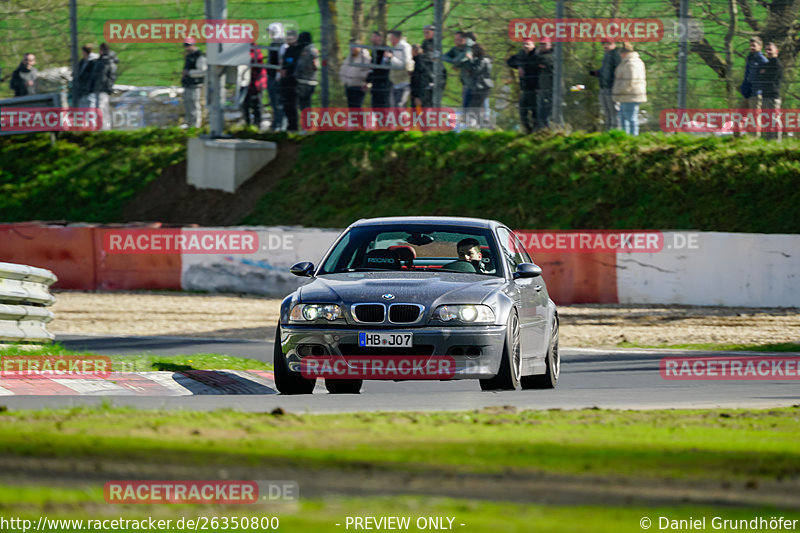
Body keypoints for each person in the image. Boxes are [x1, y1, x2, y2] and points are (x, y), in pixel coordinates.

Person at [612, 42, 646, 136]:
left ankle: (633, 137)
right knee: (623, 118)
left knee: (630, 118)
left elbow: (630, 80)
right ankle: (626, 136)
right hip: (628, 95)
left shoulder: (630, 63)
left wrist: (619, 91)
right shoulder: (631, 62)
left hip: (629, 95)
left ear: (624, 53)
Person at [507, 40, 538, 133]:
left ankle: (536, 130)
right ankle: (528, 129)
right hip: (524, 87)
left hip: (535, 87)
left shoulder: (537, 55)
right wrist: (519, 66)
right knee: (522, 110)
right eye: (524, 44)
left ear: (533, 45)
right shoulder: (521, 55)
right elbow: (510, 61)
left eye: (528, 44)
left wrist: (524, 65)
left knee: (535, 111)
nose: (525, 46)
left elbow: (534, 64)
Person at [589, 40, 621, 130]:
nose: (605, 46)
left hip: (612, 88)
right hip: (603, 87)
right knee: (607, 112)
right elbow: (605, 70)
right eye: (603, 44)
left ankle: (616, 133)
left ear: (613, 43)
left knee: (614, 112)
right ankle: (609, 132)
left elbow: (619, 72)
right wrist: (597, 73)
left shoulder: (616, 55)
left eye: (608, 44)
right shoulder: (606, 55)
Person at [90, 43, 119, 130]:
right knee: (102, 108)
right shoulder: (105, 60)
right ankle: (103, 127)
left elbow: (104, 76)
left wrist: (102, 87)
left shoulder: (105, 61)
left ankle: (103, 127)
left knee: (101, 108)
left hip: (102, 89)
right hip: (102, 88)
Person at [759, 42, 783, 141]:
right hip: (765, 95)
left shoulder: (777, 64)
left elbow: (769, 78)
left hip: (773, 95)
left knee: (775, 119)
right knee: (767, 119)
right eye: (766, 50)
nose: (768, 52)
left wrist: (763, 74)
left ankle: (777, 140)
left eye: (770, 49)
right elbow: (761, 76)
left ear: (776, 51)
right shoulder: (767, 64)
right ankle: (769, 140)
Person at [239, 44, 267, 128]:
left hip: (255, 82)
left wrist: (258, 82)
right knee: (245, 104)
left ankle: (257, 124)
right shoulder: (242, 49)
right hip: (245, 81)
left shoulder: (254, 50)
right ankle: (248, 124)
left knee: (256, 104)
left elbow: (258, 66)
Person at [280, 30, 303, 131]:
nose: (287, 38)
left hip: (294, 81)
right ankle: (290, 125)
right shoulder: (288, 49)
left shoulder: (298, 50)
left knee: (293, 104)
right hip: (285, 81)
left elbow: (296, 64)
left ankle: (295, 126)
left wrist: (287, 70)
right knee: (287, 105)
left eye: (290, 37)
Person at [181, 37, 206, 128]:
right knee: (187, 104)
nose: (187, 48)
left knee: (194, 104)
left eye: (188, 45)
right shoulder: (189, 56)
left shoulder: (199, 56)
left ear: (193, 45)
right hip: (188, 84)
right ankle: (189, 123)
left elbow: (202, 71)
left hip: (196, 85)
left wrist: (189, 73)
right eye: (185, 45)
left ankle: (195, 125)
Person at [266, 23, 288, 130]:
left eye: (272, 32)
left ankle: (281, 125)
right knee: (274, 102)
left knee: (280, 103)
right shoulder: (273, 44)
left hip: (278, 78)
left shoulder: (282, 45)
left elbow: (281, 62)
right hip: (271, 77)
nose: (270, 34)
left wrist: (278, 75)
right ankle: (276, 124)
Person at [386, 30, 413, 107]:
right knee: (393, 107)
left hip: (403, 82)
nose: (390, 40)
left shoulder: (405, 47)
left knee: (400, 106)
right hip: (394, 81)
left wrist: (392, 58)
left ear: (395, 38)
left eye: (391, 38)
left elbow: (406, 64)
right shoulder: (394, 47)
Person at [340, 40, 371, 108]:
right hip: (349, 85)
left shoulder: (365, 58)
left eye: (354, 46)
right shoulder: (349, 57)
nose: (352, 48)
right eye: (351, 46)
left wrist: (366, 83)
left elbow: (368, 72)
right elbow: (344, 69)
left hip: (359, 86)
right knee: (351, 107)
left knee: (357, 107)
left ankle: (359, 119)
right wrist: (344, 81)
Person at [443, 31, 471, 107]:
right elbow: (444, 56)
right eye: (455, 39)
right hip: (465, 81)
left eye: (459, 40)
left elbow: (459, 60)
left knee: (472, 106)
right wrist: (454, 62)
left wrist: (456, 63)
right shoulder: (455, 49)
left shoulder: (469, 49)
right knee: (465, 105)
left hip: (473, 81)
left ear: (464, 39)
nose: (456, 42)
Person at [463, 43, 492, 112]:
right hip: (482, 87)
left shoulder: (482, 60)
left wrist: (470, 59)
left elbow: (476, 70)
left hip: (480, 87)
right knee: (477, 108)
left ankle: (476, 120)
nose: (472, 52)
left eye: (472, 50)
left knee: (474, 108)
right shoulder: (485, 59)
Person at [366, 31, 391, 108]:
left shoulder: (386, 50)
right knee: (375, 105)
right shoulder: (374, 50)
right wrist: (368, 80)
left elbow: (384, 66)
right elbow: (372, 67)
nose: (371, 39)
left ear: (378, 38)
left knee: (383, 104)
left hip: (384, 82)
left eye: (373, 37)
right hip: (375, 82)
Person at [535, 38, 554, 130]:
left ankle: (551, 130)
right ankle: (543, 130)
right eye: (541, 44)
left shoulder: (553, 56)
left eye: (544, 44)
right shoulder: (539, 56)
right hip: (543, 88)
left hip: (552, 89)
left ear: (550, 45)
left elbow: (547, 63)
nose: (542, 46)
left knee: (549, 111)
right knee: (541, 112)